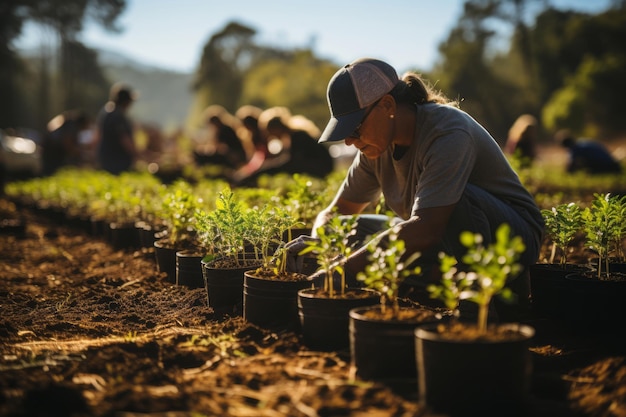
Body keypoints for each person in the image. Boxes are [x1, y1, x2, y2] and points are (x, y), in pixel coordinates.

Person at [287, 58, 544, 316]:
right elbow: (337, 211)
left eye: (354, 127)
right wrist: (320, 242)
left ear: (387, 105)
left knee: (456, 199)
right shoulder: (374, 149)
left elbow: (427, 227)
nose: (350, 140)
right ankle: (440, 278)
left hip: (511, 240)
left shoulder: (447, 132)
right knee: (351, 230)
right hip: (443, 239)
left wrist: (342, 270)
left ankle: (481, 306)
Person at [233, 106, 334, 186]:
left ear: (276, 128)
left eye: (270, 132)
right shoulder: (292, 137)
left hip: (321, 168)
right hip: (321, 167)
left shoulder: (297, 136)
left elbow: (289, 162)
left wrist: (264, 170)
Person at [95, 83, 139, 175]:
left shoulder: (106, 112)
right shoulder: (117, 115)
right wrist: (137, 154)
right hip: (117, 160)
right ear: (126, 101)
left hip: (106, 157)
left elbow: (97, 135)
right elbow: (124, 139)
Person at [41, 110, 90, 176]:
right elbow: (67, 142)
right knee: (51, 171)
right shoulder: (72, 125)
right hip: (53, 150)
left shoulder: (68, 121)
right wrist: (80, 153)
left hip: (49, 148)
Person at [556, 129, 622, 174]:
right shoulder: (583, 142)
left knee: (583, 168)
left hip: (607, 167)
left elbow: (570, 166)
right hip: (614, 165)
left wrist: (566, 173)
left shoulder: (575, 148)